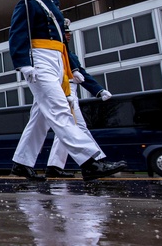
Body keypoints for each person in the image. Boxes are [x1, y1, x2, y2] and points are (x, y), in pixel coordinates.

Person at [8, 0, 125, 181]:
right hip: (39, 60)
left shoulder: (53, 4)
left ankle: (22, 163)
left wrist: (73, 68)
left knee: (41, 118)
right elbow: (17, 35)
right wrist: (23, 63)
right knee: (61, 110)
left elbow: (62, 43)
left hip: (57, 60)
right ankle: (91, 162)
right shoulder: (28, 3)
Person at [46, 18, 114, 178]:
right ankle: (97, 161)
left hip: (70, 89)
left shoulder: (66, 52)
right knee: (78, 127)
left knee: (65, 129)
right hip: (63, 90)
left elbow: (81, 72)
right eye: (65, 32)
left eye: (69, 32)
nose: (68, 35)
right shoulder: (56, 51)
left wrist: (99, 90)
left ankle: (55, 166)